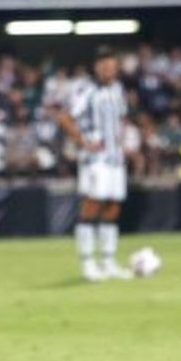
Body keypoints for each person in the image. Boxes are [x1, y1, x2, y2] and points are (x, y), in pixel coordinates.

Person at [58, 47, 130, 280]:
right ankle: (87, 263)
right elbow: (65, 117)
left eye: (111, 65)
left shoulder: (118, 89)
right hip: (95, 160)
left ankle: (108, 261)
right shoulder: (87, 91)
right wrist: (82, 141)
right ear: (97, 67)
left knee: (113, 207)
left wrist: (121, 140)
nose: (108, 69)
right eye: (104, 65)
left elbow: (122, 118)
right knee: (91, 205)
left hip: (115, 158)